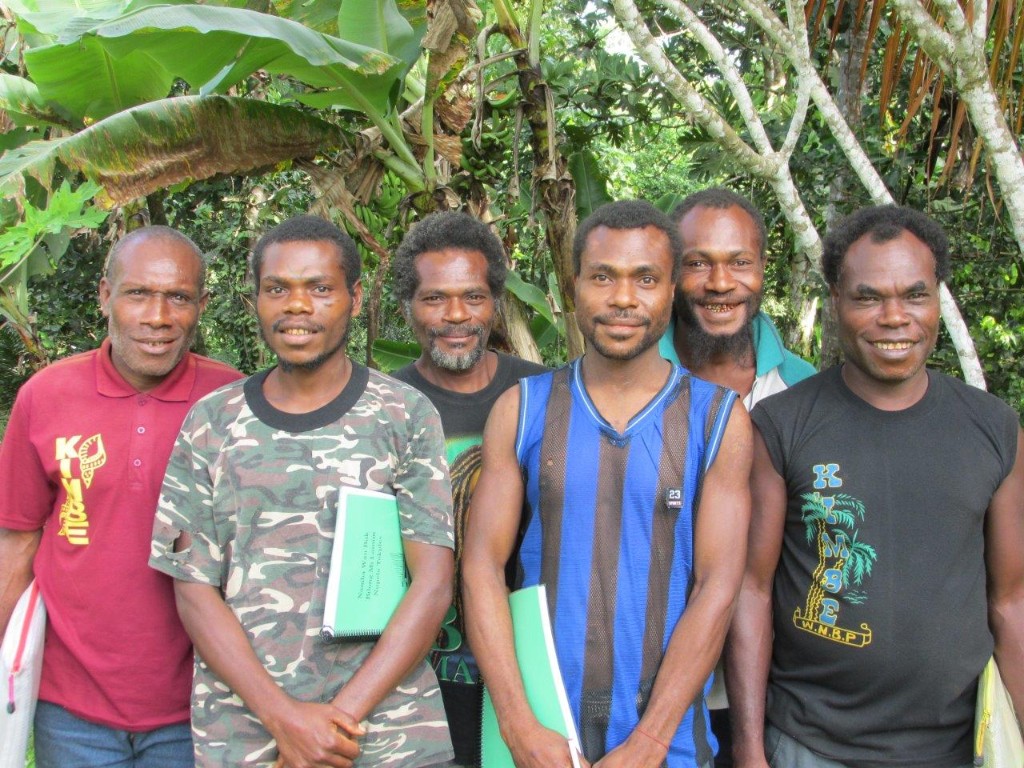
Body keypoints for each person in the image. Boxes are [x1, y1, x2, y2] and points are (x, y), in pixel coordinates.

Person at [149, 215, 456, 768]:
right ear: (256, 302)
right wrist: (284, 720)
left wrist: (335, 724)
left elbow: (432, 583)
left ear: (355, 298)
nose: (297, 306)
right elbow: (194, 590)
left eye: (319, 288)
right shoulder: (211, 424)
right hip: (248, 734)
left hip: (386, 733)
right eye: (277, 289)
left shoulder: (404, 415)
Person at [728, 205, 1024, 768]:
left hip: (959, 747)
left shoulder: (994, 429)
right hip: (810, 744)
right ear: (836, 301)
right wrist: (747, 749)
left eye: (915, 295)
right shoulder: (780, 426)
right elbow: (751, 590)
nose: (895, 317)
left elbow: (1011, 602)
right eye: (868, 297)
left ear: (937, 300)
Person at [463, 200, 752, 768]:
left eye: (646, 278)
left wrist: (649, 742)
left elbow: (718, 586)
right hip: (541, 737)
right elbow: (480, 567)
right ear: (573, 288)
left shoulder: (718, 420)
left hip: (670, 746)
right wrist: (519, 726)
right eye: (603, 277)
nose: (623, 299)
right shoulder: (521, 411)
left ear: (672, 291)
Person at [0, 226, 241, 767]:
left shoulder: (231, 402)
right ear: (105, 295)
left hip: (199, 702)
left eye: (178, 297)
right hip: (69, 707)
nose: (158, 316)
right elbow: (16, 544)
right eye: (138, 293)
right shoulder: (45, 396)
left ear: (201, 305)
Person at [659, 187, 815, 765]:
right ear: (671, 272)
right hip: (654, 684)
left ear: (763, 269)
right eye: (698, 262)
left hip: (786, 692)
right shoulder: (631, 385)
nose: (720, 283)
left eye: (738, 262)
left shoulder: (807, 392)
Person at [390, 210, 548, 767]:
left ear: (496, 302)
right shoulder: (381, 407)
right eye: (434, 299)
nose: (456, 316)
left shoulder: (545, 396)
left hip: (532, 680)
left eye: (473, 297)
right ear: (408, 305)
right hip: (414, 689)